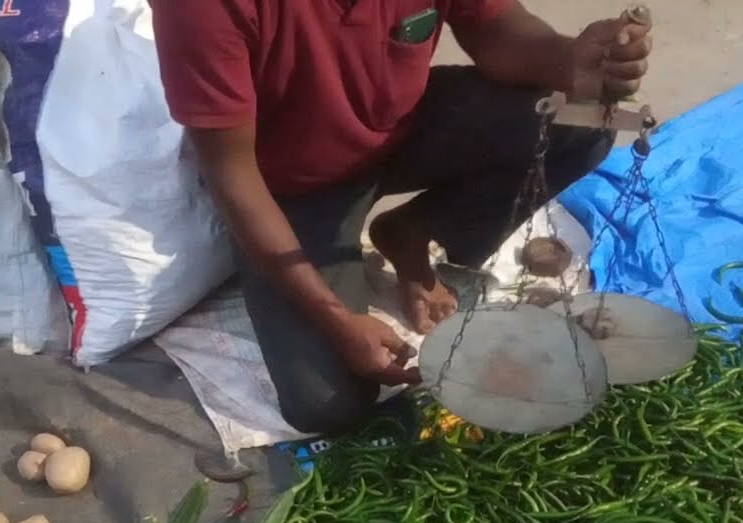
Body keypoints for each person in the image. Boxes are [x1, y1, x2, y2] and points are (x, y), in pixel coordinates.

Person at [150, 1, 653, 435]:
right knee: (328, 402)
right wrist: (338, 320)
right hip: (292, 187)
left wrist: (574, 60)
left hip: (400, 128)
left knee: (582, 126)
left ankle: (411, 230)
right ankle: (351, 261)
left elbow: (497, 30)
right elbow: (232, 178)